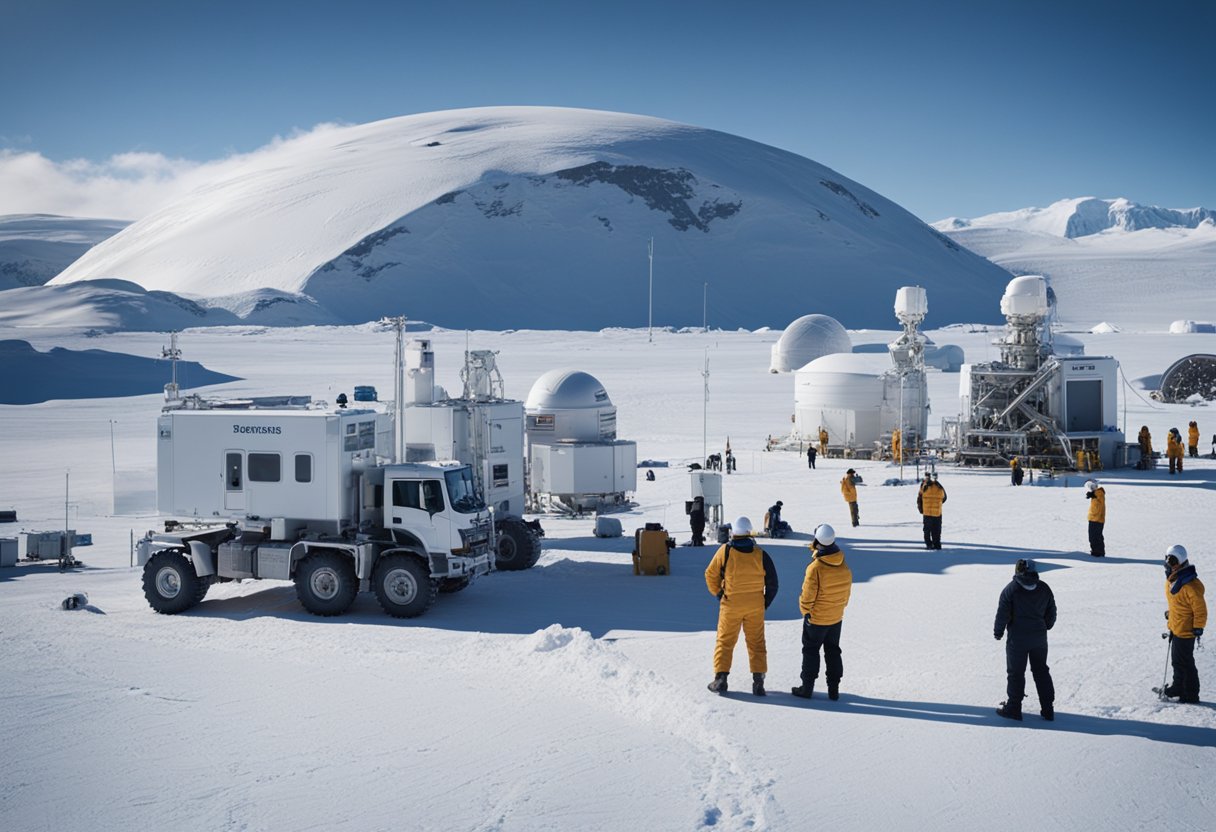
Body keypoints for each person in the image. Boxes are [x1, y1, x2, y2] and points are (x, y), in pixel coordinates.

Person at [704, 516, 779, 696]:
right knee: (756, 643)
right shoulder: (761, 554)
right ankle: (758, 682)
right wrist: (763, 602)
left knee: (725, 641)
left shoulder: (725, 551)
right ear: (749, 533)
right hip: (755, 606)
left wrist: (719, 594)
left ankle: (720, 679)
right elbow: (773, 583)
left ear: (734, 533)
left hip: (731, 605)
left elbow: (710, 574)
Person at [791, 524, 852, 701]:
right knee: (833, 651)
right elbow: (847, 592)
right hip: (836, 618)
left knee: (810, 651)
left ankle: (807, 688)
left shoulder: (816, 568)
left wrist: (805, 611)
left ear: (817, 540)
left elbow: (807, 596)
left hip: (817, 619)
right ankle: (834, 690)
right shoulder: (843, 563)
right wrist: (839, 608)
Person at [994, 558, 1057, 721]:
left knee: (1016, 673)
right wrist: (1045, 626)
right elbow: (1052, 612)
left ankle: (1014, 707)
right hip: (1039, 639)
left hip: (1018, 640)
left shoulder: (1011, 589)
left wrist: (998, 632)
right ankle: (1048, 708)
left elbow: (1003, 613)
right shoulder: (1044, 588)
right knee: (1041, 671)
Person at [1162, 545, 1206, 704]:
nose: (1169, 563)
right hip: (1176, 626)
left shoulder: (1190, 584)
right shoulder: (1173, 580)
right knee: (1178, 660)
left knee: (1185, 662)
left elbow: (1200, 609)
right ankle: (1179, 687)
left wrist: (1198, 626)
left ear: (1181, 561)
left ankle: (1190, 693)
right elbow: (1178, 603)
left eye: (1172, 560)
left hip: (1186, 630)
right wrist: (1170, 614)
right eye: (1167, 559)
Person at [917, 471, 947, 549]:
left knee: (927, 530)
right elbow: (944, 497)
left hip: (927, 513)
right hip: (937, 512)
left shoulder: (923, 486)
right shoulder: (939, 486)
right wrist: (938, 503)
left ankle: (929, 544)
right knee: (936, 530)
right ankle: (937, 544)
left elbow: (919, 498)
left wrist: (921, 508)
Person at [1085, 479, 1105, 557]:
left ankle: (1097, 552)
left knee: (1095, 537)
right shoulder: (1097, 494)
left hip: (1096, 519)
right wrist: (1092, 496)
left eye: (1092, 487)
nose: (1091, 488)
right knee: (1094, 536)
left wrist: (1093, 496)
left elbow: (1098, 506)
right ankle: (1098, 551)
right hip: (1094, 518)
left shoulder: (1099, 493)